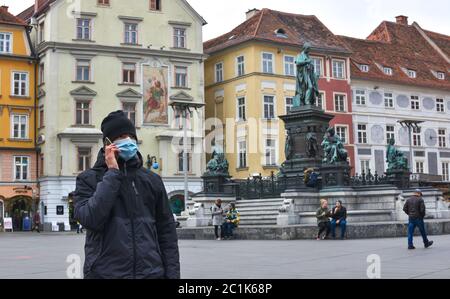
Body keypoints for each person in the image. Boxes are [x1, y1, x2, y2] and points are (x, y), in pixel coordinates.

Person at [74, 110, 180, 279]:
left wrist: (173, 275)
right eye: (121, 137)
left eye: (131, 136)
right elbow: (90, 219)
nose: (128, 141)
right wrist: (113, 173)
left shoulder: (152, 180)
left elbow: (167, 232)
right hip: (106, 274)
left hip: (151, 274)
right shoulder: (88, 179)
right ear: (107, 143)